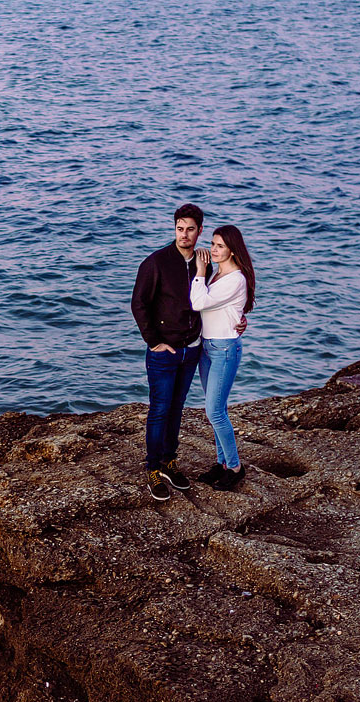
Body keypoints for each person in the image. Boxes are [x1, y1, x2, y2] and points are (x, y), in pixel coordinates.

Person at [130, 204, 205, 502]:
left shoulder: (205, 261)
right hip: (164, 352)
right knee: (160, 409)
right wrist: (153, 341)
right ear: (174, 229)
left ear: (199, 231)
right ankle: (152, 468)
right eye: (179, 228)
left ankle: (169, 462)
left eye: (189, 229)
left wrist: (238, 318)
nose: (184, 234)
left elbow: (215, 297)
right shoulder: (156, 262)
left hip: (192, 350)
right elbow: (139, 303)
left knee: (177, 408)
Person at [190, 225, 256, 491]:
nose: (213, 249)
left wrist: (199, 271)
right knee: (216, 410)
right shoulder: (220, 274)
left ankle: (235, 467)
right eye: (213, 244)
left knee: (214, 411)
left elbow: (198, 303)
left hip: (224, 349)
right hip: (208, 346)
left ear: (232, 249)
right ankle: (221, 464)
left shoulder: (234, 279)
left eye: (219, 246)